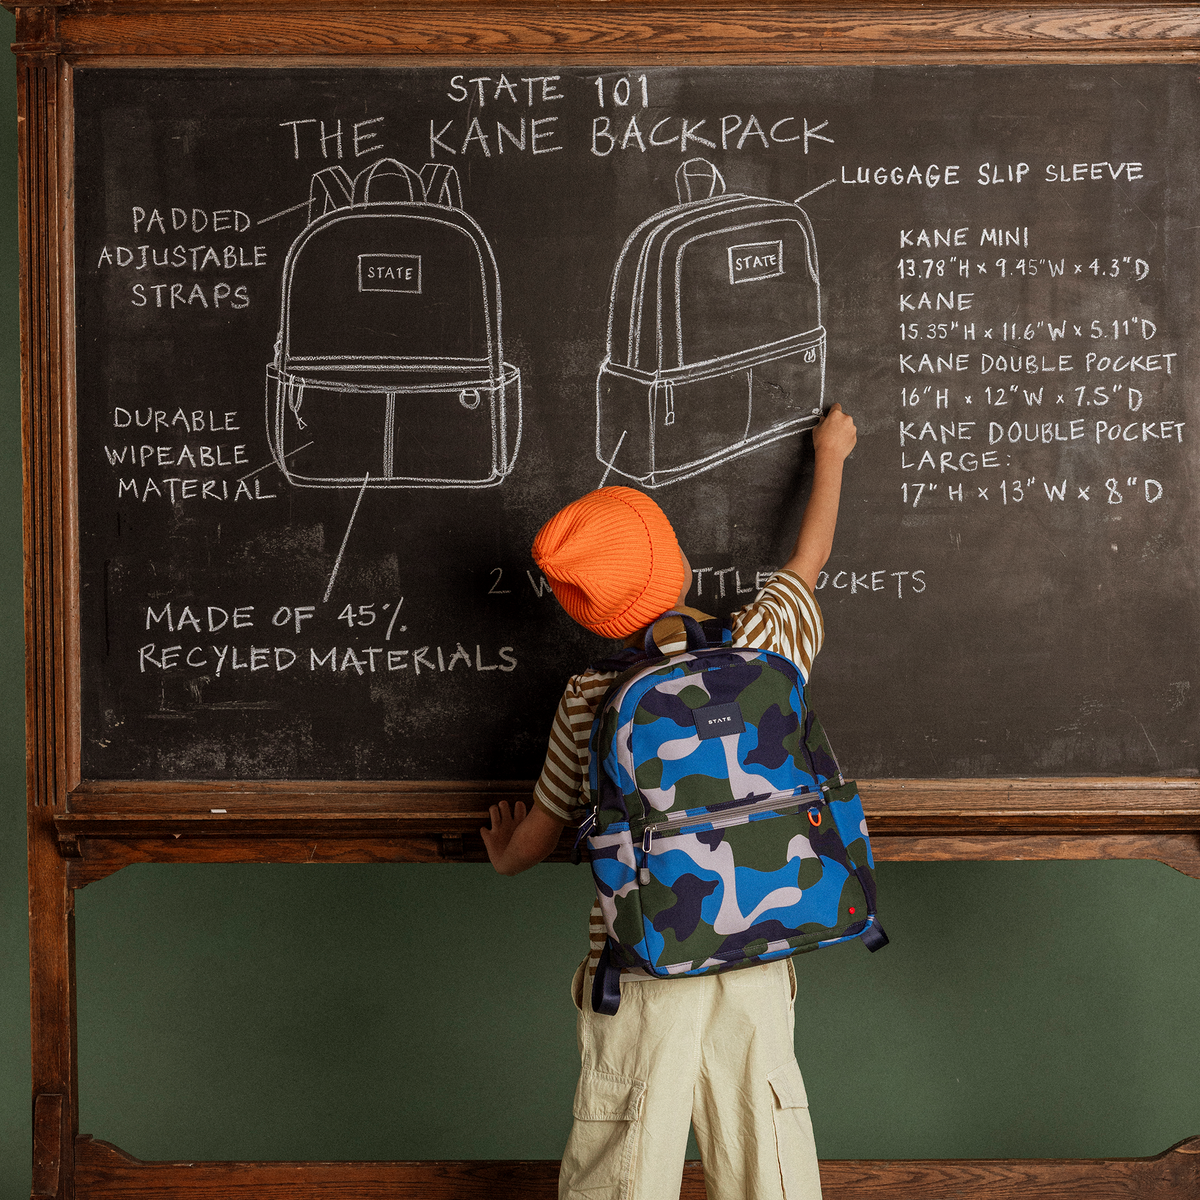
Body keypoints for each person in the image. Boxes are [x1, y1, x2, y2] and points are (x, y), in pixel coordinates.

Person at [481, 404, 858, 1200]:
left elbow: (538, 840)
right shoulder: (766, 642)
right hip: (761, 939)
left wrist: (505, 850)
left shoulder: (588, 697)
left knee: (627, 1152)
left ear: (585, 608)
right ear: (678, 565)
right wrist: (831, 453)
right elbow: (810, 557)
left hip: (642, 959)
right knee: (765, 1144)